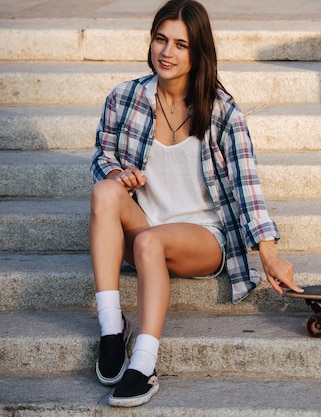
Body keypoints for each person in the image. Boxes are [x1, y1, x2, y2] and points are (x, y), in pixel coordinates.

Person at [89, 0, 303, 407]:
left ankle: (144, 363)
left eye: (181, 45)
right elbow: (103, 157)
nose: (167, 53)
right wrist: (119, 176)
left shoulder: (223, 112)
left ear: (198, 52)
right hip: (144, 228)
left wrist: (269, 253)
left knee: (150, 243)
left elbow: (246, 185)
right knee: (104, 191)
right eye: (160, 40)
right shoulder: (125, 97)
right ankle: (112, 329)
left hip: (202, 238)